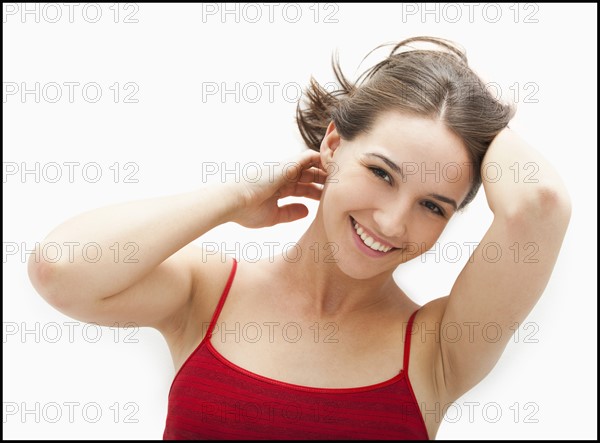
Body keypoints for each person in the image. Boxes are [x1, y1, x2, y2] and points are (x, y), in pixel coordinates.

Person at [27, 36, 571, 440]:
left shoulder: (438, 347)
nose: (391, 223)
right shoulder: (208, 291)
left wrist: (466, 106)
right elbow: (60, 269)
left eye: (433, 205)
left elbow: (539, 204)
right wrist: (234, 198)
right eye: (382, 173)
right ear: (332, 145)